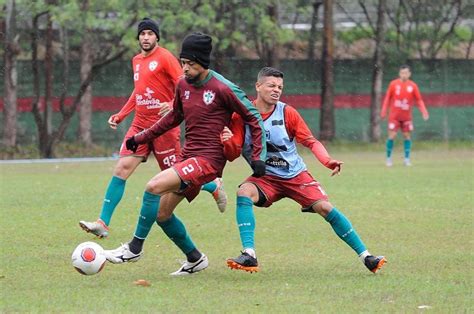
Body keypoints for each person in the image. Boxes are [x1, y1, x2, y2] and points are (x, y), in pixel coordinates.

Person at [103, 32, 267, 276]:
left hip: (208, 161)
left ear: (203, 62)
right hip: (188, 157)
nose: (185, 68)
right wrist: (141, 137)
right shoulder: (182, 84)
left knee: (153, 186)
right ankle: (195, 258)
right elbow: (173, 117)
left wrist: (258, 156)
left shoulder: (223, 87)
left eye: (190, 64)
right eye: (183, 63)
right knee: (162, 214)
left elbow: (253, 117)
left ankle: (134, 248)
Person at [223, 67, 387, 274]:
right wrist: (227, 141)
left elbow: (310, 141)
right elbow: (231, 153)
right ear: (258, 86)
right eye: (271, 85)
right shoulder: (241, 116)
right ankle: (249, 255)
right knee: (243, 192)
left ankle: (367, 258)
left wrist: (327, 161)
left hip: (295, 176)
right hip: (266, 178)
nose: (276, 90)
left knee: (325, 208)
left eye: (280, 87)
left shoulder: (287, 113)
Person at [79, 19, 227, 238]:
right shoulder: (136, 60)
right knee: (121, 169)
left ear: (157, 37)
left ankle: (210, 185)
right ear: (138, 37)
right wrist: (122, 114)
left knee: (176, 179)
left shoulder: (166, 57)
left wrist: (172, 104)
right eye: (142, 34)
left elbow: (183, 82)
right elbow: (138, 91)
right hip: (140, 125)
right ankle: (103, 222)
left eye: (150, 33)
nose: (146, 37)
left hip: (164, 128)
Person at [381, 64, 429, 167]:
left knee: (407, 136)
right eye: (402, 73)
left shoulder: (413, 86)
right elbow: (387, 98)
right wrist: (384, 112)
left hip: (406, 117)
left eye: (406, 73)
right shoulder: (393, 84)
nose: (404, 75)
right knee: (392, 136)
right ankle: (388, 159)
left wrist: (424, 111)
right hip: (394, 116)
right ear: (399, 73)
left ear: (409, 74)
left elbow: (419, 100)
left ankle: (406, 159)